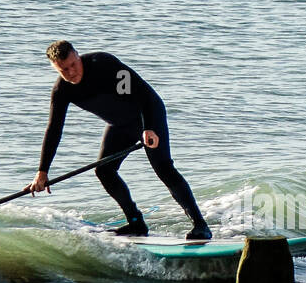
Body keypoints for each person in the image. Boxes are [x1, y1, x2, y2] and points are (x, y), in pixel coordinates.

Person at [28, 40, 211, 240]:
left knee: (163, 168)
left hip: (148, 116)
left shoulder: (103, 64)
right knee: (104, 170)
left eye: (73, 64)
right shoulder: (62, 91)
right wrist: (42, 171)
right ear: (55, 68)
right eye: (64, 69)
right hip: (120, 125)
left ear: (77, 55)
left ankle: (200, 226)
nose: (71, 72)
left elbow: (142, 95)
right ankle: (136, 222)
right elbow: (54, 129)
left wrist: (149, 127)